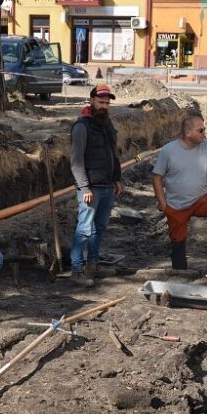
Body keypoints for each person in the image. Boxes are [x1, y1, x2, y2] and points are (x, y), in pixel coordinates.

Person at [152, 113, 207, 275]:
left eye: (204, 129)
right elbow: (157, 178)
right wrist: (163, 203)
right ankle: (180, 274)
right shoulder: (168, 151)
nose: (204, 133)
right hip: (176, 205)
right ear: (188, 133)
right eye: (200, 130)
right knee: (178, 244)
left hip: (201, 200)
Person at [69, 84, 122, 287]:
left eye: (107, 103)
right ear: (91, 101)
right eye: (100, 102)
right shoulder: (82, 126)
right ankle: (76, 270)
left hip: (107, 186)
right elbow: (76, 161)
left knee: (98, 228)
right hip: (91, 189)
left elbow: (113, 154)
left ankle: (92, 265)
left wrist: (116, 179)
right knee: (84, 229)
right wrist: (84, 188)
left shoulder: (107, 126)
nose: (104, 106)